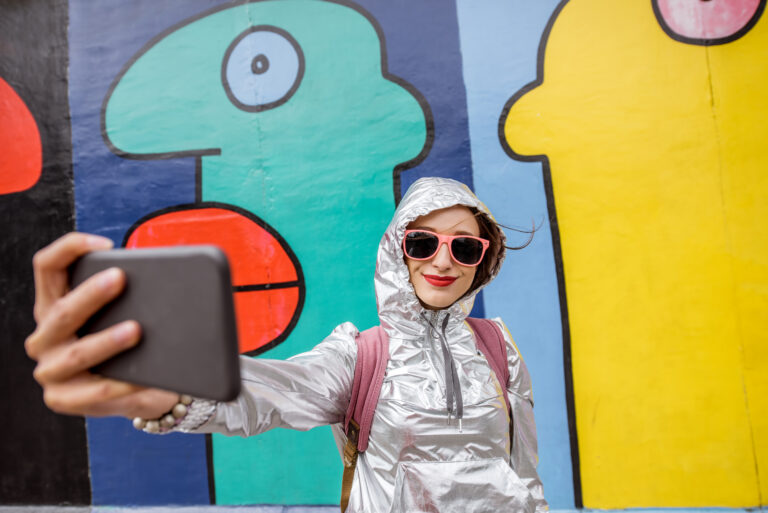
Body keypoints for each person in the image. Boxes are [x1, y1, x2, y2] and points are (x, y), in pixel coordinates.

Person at [26, 177, 548, 512]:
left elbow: (524, 472)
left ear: (484, 259)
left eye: (464, 247)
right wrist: (166, 384)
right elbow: (272, 391)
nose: (442, 261)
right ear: (397, 251)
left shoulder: (497, 346)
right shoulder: (362, 355)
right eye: (422, 242)